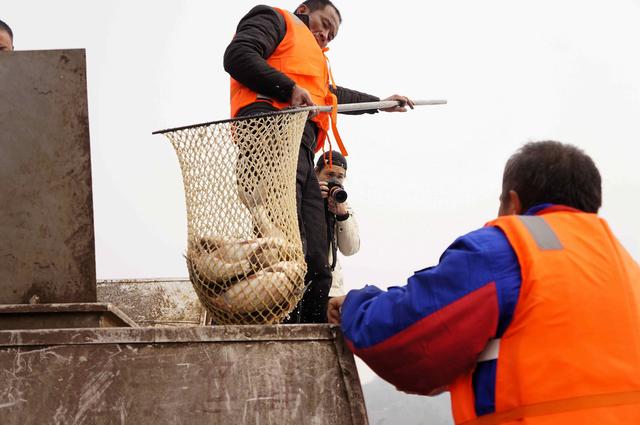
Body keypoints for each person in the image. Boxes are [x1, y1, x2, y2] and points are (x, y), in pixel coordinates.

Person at [328, 141, 640, 424]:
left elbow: (406, 332)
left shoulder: (510, 250)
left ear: (513, 204)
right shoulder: (626, 267)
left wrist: (356, 304)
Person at [224, 0, 412, 323]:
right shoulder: (275, 19)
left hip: (301, 149)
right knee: (285, 243)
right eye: (324, 23)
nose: (326, 34)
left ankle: (307, 328)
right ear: (303, 10)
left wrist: (382, 103)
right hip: (270, 132)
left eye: (332, 33)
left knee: (315, 257)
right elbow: (237, 56)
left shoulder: (316, 68)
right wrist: (288, 88)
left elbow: (336, 98)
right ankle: (279, 325)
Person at [315, 151, 360, 298]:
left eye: (340, 177)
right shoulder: (302, 197)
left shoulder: (344, 207)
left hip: (331, 288)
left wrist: (342, 216)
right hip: (300, 284)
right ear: (316, 173)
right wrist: (312, 197)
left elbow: (350, 249)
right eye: (329, 175)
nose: (335, 180)